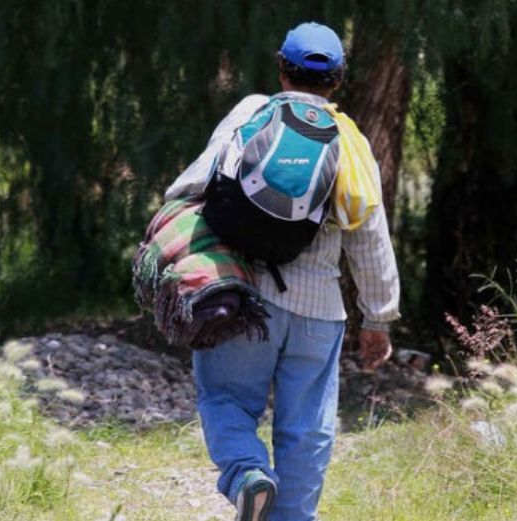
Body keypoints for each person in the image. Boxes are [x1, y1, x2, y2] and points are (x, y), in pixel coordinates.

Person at [165, 21, 400, 521]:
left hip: (243, 299)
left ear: (281, 69)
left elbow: (189, 186)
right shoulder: (350, 141)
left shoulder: (253, 112)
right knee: (307, 431)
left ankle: (247, 474)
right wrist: (378, 319)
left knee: (226, 398)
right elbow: (370, 236)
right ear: (338, 80)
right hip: (319, 313)